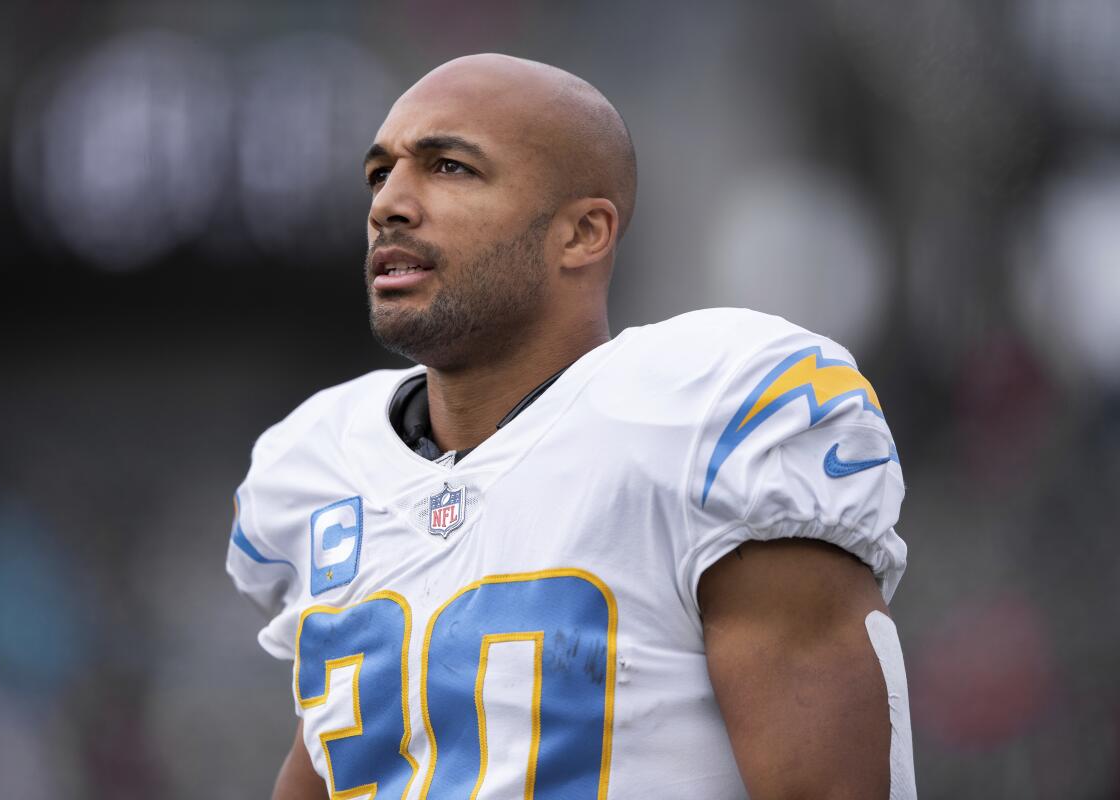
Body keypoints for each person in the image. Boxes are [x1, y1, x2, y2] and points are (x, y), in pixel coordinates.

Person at [227, 53, 915, 799]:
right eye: (379, 173)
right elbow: (345, 753)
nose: (389, 203)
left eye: (449, 167)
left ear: (583, 233)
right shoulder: (321, 464)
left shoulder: (701, 422)